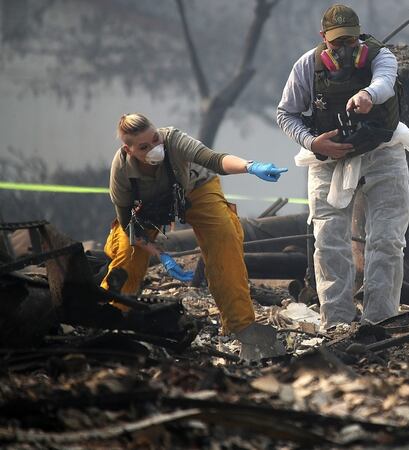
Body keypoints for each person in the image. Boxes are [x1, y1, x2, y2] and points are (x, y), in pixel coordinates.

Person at [276, 4, 409, 329]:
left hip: (383, 151)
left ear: (359, 37)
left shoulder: (379, 57)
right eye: (336, 43)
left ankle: (380, 320)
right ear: (323, 38)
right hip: (329, 157)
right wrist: (313, 143)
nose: (343, 50)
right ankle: (336, 321)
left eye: (350, 42)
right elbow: (286, 114)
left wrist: (368, 94)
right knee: (329, 239)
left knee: (386, 238)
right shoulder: (306, 68)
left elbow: (384, 81)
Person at [102, 113, 288, 360]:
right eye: (144, 147)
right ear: (129, 149)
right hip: (147, 208)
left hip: (195, 189)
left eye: (156, 139)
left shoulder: (174, 140)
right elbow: (130, 228)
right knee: (127, 253)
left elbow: (214, 160)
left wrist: (250, 167)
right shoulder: (121, 170)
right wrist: (162, 256)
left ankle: (241, 326)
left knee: (224, 238)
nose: (155, 148)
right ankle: (110, 321)